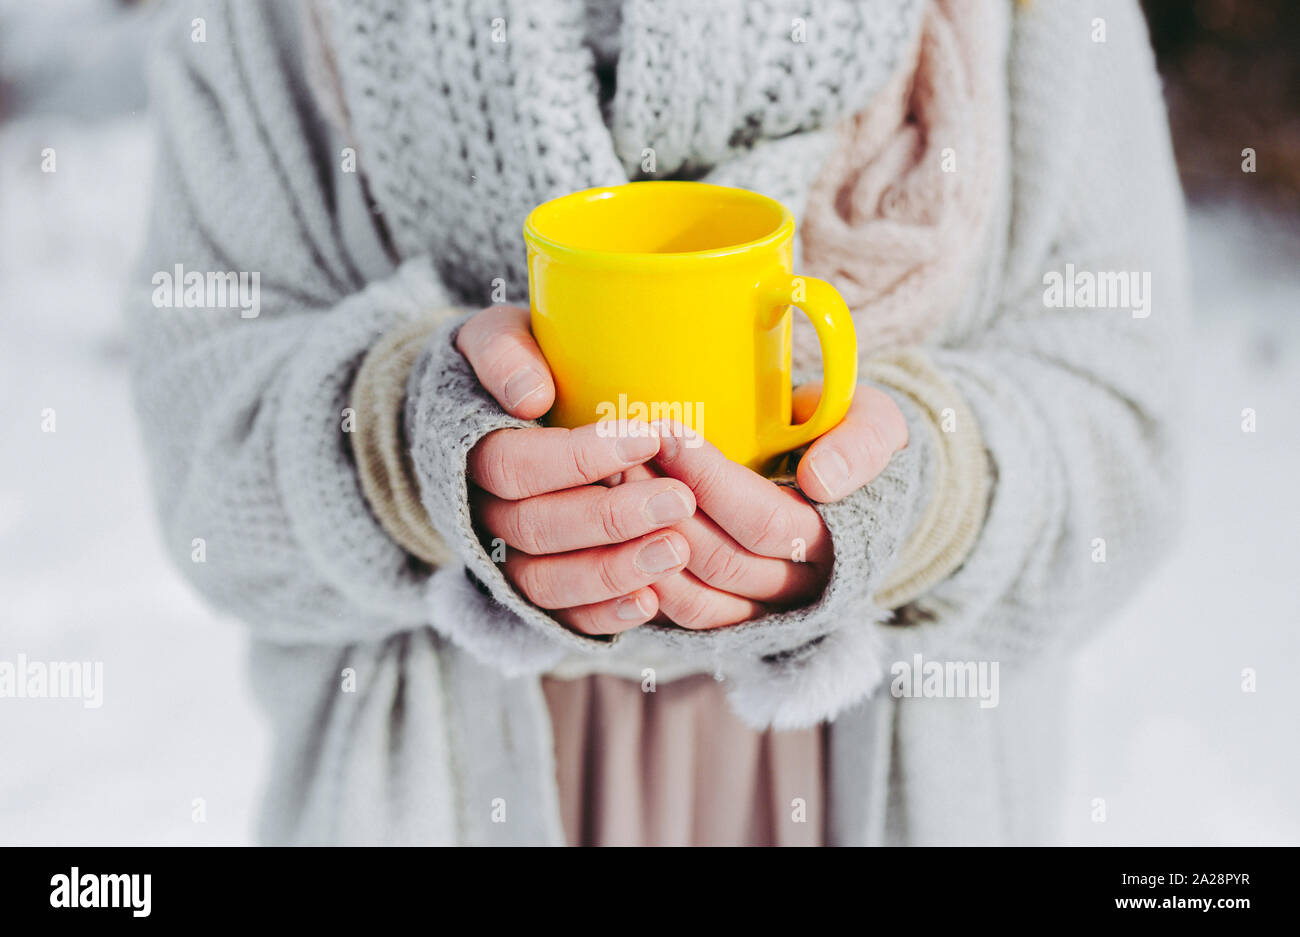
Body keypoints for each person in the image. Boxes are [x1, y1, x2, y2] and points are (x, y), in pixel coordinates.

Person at [129, 0, 1187, 845]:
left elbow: (1126, 451)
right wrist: (400, 446)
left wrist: (926, 497)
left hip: (871, 777)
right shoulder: (266, 18)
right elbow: (205, 479)